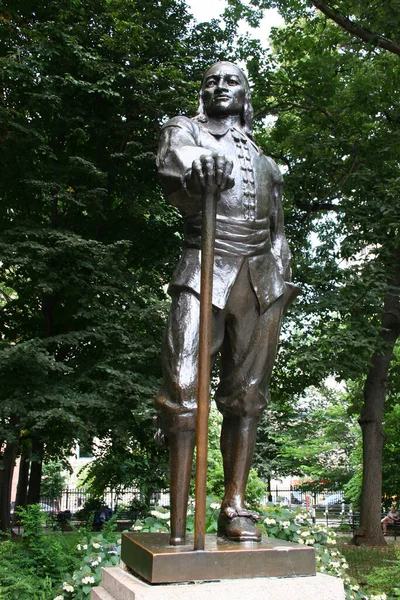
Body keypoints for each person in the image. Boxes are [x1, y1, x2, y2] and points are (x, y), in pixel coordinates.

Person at [154, 61, 300, 545]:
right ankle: (178, 520)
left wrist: (281, 275)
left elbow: (278, 227)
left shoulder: (265, 158)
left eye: (231, 80)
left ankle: (234, 506)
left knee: (247, 396)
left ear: (245, 94)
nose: (220, 86)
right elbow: (172, 158)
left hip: (261, 278)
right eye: (211, 80)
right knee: (182, 386)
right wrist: (198, 162)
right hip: (205, 265)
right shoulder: (187, 128)